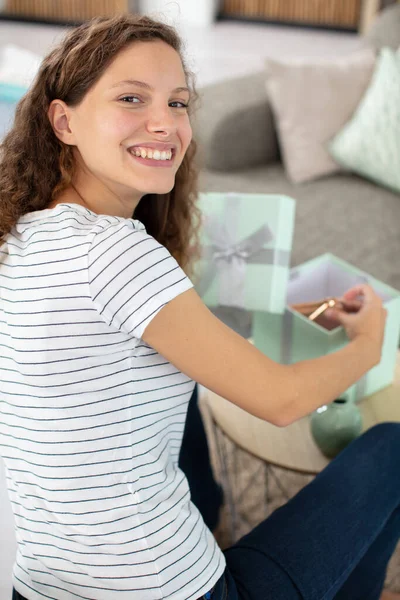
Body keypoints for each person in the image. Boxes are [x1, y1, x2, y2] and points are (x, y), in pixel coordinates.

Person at [0, 13, 399, 600]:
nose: (165, 124)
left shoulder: (21, 236)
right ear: (63, 120)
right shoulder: (116, 253)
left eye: (179, 103)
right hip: (174, 589)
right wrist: (369, 341)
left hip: (43, 584)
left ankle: (210, 513)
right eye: (132, 98)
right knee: (390, 447)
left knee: (178, 393)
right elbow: (282, 401)